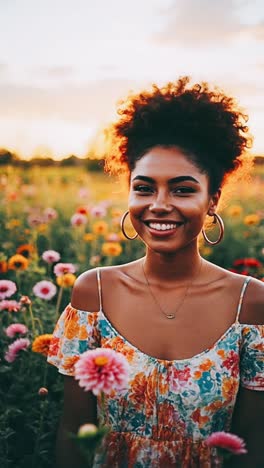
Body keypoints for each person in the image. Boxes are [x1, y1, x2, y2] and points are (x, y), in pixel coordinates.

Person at [47, 76, 264, 468]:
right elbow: (72, 432)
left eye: (182, 190)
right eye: (144, 188)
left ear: (213, 198)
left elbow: (252, 445)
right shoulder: (92, 294)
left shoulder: (251, 303)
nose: (159, 205)